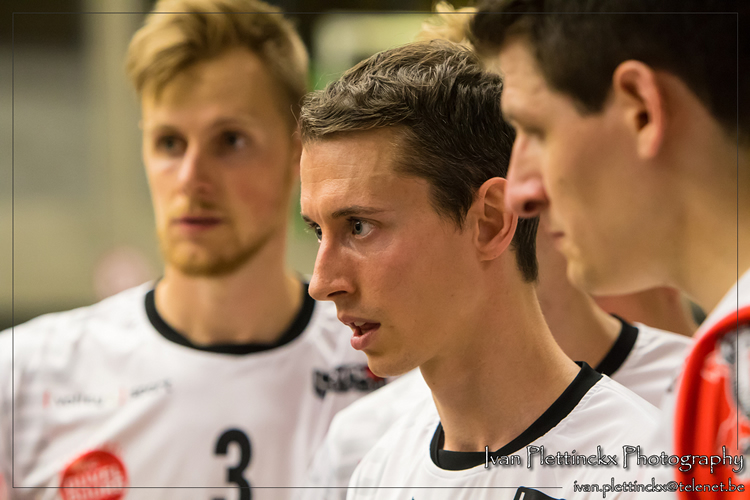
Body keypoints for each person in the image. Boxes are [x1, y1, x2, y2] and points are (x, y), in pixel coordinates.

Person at [0, 1, 382, 498]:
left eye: (230, 141)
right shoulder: (22, 376)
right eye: (169, 143)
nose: (190, 178)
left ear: (298, 152)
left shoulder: (388, 363)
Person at [299, 40, 663, 500]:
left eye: (359, 226)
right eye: (317, 231)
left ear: (490, 221)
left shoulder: (646, 471)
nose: (322, 284)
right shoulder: (376, 472)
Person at [471, 0, 749, 496]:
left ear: (641, 109)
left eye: (535, 131)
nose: (520, 192)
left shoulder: (730, 374)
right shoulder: (713, 373)